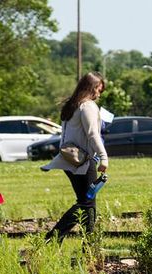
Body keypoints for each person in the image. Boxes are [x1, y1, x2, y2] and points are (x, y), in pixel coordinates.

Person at [43, 71, 108, 240]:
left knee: (85, 204)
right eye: (98, 89)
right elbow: (92, 134)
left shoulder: (72, 105)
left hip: (68, 160)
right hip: (82, 162)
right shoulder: (87, 106)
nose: (98, 94)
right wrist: (103, 157)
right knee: (87, 204)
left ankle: (86, 245)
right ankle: (53, 238)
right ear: (91, 87)